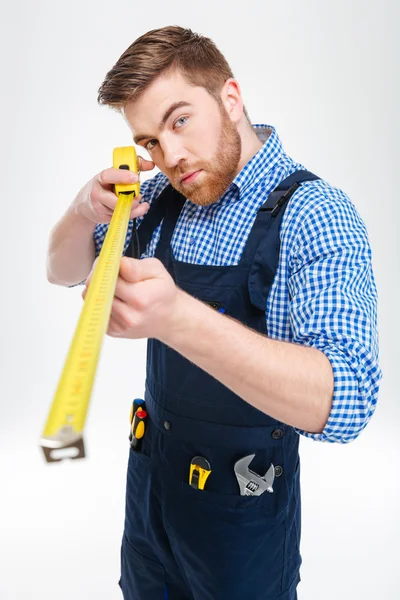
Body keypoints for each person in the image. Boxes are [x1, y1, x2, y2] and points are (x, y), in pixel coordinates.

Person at [46, 25, 382, 600]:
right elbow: (64, 268)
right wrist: (83, 210)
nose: (169, 156)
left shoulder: (315, 215)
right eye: (149, 141)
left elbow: (345, 400)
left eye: (180, 120)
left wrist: (177, 317)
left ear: (230, 98)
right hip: (151, 500)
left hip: (243, 522)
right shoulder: (154, 206)